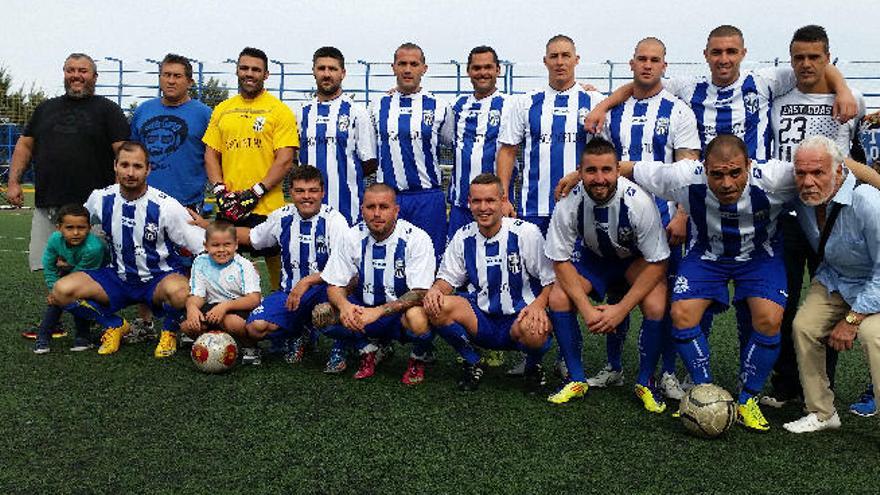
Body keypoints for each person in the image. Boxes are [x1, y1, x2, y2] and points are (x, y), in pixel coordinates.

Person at [587, 37, 700, 398]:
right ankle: (614, 366)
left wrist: (682, 213)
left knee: (662, 301)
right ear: (631, 64)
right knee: (617, 290)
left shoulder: (678, 110)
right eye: (641, 59)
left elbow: (688, 169)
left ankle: (663, 372)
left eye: (655, 60)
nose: (647, 65)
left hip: (665, 222)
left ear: (664, 66)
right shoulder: (611, 113)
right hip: (616, 222)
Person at [763, 25, 867, 408]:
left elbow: (852, 161)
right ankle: (785, 385)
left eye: (814, 57)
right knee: (786, 302)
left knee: (830, 301)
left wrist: (839, 86)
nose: (806, 64)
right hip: (788, 216)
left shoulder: (850, 98)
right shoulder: (778, 98)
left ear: (828, 58)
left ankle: (822, 388)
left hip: (832, 217)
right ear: (790, 60)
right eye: (799, 57)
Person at [585, 25, 857, 161]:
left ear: (743, 54)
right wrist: (602, 105)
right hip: (710, 189)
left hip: (757, 188)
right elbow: (644, 83)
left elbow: (811, 66)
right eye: (716, 52)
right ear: (706, 55)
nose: (723, 59)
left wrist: (842, 89)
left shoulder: (763, 81)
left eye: (731, 52)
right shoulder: (690, 88)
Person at [544, 138, 670, 412]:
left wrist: (620, 309)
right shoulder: (569, 201)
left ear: (617, 170)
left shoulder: (639, 202)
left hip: (632, 261)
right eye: (591, 171)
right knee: (558, 297)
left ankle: (645, 382)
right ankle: (576, 379)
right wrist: (587, 310)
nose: (599, 178)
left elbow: (658, 262)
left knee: (657, 301)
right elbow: (560, 259)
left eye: (606, 170)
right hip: (595, 260)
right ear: (580, 171)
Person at [50, 141, 205, 358]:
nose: (130, 172)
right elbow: (76, 226)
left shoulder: (167, 206)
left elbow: (201, 245)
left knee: (183, 293)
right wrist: (65, 253)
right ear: (115, 166)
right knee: (61, 291)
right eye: (124, 165)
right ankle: (114, 324)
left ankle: (170, 330)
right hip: (117, 277)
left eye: (137, 166)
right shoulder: (100, 198)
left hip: (158, 278)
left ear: (148, 169)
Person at [783, 136, 880, 433]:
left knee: (872, 336)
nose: (808, 182)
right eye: (801, 173)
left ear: (838, 171)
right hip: (835, 280)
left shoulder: (868, 201)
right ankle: (822, 412)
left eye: (818, 172)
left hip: (874, 283)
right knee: (804, 327)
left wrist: (851, 320)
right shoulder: (800, 200)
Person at [424, 173, 555, 391]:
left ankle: (532, 367)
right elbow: (447, 279)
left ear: (503, 202)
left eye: (490, 200)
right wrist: (435, 290)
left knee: (536, 330)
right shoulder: (463, 236)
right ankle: (472, 361)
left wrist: (539, 306)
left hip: (519, 318)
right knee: (435, 305)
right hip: (482, 319)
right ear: (469, 203)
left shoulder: (526, 233)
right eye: (477, 201)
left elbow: (551, 280)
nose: (483, 207)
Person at [6, 53, 128, 273]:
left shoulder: (109, 110)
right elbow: (25, 145)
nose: (76, 76)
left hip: (92, 210)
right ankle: (61, 307)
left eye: (82, 71)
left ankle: (88, 308)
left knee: (90, 271)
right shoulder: (45, 108)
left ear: (95, 76)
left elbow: (123, 154)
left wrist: (120, 196)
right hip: (49, 205)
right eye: (70, 70)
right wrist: (14, 182)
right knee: (50, 268)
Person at [314, 183, 435, 385]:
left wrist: (378, 312)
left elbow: (421, 292)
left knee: (418, 318)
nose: (376, 213)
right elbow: (334, 284)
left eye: (384, 207)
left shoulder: (417, 238)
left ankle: (418, 357)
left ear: (396, 210)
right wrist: (345, 307)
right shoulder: (351, 236)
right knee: (322, 313)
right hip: (364, 311)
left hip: (398, 315)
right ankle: (367, 350)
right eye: (370, 207)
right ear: (362, 209)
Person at [130, 53, 213, 342]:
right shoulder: (143, 111)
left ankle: (187, 322)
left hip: (186, 202)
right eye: (166, 74)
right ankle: (145, 322)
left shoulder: (204, 113)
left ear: (190, 81)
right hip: (145, 201)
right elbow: (132, 154)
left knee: (191, 266)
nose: (171, 80)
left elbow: (213, 156)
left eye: (178, 75)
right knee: (144, 261)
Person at [203, 47, 298, 291]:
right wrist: (220, 191)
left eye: (256, 69)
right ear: (237, 70)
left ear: (266, 74)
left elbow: (285, 159)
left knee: (276, 260)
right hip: (231, 203)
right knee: (229, 264)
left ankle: (281, 308)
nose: (249, 73)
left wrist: (255, 192)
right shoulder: (223, 109)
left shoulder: (279, 110)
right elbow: (211, 153)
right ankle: (233, 313)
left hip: (267, 203)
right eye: (244, 68)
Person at [239, 165, 350, 368]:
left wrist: (307, 281)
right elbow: (251, 237)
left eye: (312, 191)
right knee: (255, 327)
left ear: (322, 192)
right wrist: (209, 228)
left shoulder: (335, 221)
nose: (306, 197)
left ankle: (340, 347)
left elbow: (345, 269)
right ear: (291, 193)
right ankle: (299, 332)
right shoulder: (282, 217)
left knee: (329, 307)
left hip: (326, 293)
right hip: (290, 294)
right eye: (300, 191)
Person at [497, 34, 606, 234]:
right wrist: (503, 199)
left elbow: (608, 153)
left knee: (580, 266)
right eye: (554, 56)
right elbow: (507, 151)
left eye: (566, 55)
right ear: (545, 61)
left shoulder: (595, 101)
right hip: (533, 208)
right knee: (535, 265)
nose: (560, 62)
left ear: (576, 59)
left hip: (584, 207)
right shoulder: (525, 102)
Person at [370, 42, 451, 259]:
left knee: (430, 259)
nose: (407, 69)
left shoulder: (439, 106)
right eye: (402, 63)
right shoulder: (377, 105)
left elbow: (450, 142)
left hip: (427, 197)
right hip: (389, 197)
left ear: (424, 68)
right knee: (388, 259)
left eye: (414, 64)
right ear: (393, 67)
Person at [297, 46, 377, 226]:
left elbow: (370, 162)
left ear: (343, 73)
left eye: (332, 69)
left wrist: (343, 175)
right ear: (314, 72)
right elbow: (296, 160)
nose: (326, 74)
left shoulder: (357, 112)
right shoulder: (302, 113)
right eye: (321, 68)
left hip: (348, 210)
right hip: (308, 210)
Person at [445, 45, 513, 238]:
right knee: (457, 264)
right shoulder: (457, 106)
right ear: (468, 71)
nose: (482, 73)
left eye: (488, 67)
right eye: (476, 68)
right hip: (461, 206)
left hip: (496, 206)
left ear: (498, 70)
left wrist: (583, 88)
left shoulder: (513, 105)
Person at [181, 220, 261, 362]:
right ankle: (211, 343)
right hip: (213, 308)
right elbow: (197, 295)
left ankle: (250, 347)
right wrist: (192, 308)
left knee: (232, 323)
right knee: (187, 325)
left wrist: (225, 306)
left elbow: (254, 299)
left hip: (239, 307)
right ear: (206, 246)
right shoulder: (200, 261)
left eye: (227, 244)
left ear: (236, 244)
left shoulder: (244, 265)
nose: (221, 250)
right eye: (215, 245)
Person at [33, 204, 108, 353]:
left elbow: (80, 276)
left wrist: (60, 292)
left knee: (76, 298)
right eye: (69, 228)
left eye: (81, 228)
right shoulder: (55, 239)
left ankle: (83, 336)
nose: (75, 232)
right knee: (57, 300)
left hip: (98, 275)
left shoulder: (94, 248)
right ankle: (42, 338)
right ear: (58, 228)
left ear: (90, 227)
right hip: (76, 270)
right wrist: (53, 289)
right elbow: (49, 264)